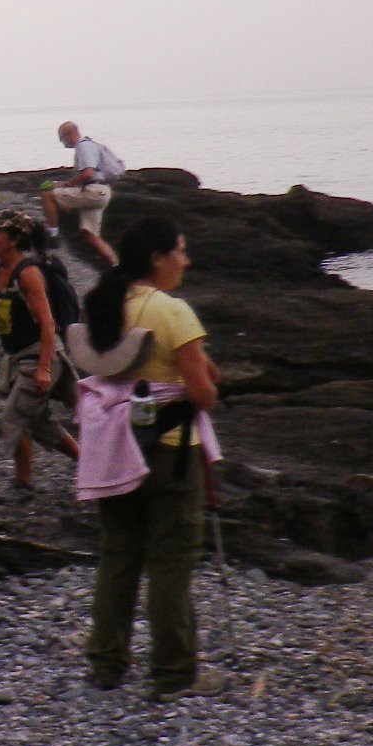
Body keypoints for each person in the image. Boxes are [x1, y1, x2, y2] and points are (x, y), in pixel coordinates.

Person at [73, 215, 226, 702]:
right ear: (157, 259)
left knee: (118, 555)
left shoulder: (105, 304)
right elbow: (202, 394)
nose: (186, 261)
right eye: (180, 251)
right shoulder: (173, 312)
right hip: (171, 454)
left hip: (114, 448)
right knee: (170, 562)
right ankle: (174, 673)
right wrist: (204, 381)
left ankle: (106, 662)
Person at [0, 210, 79, 492]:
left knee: (16, 416)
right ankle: (84, 461)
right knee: (37, 421)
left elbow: (48, 325)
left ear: (13, 240)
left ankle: (22, 483)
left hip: (41, 355)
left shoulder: (29, 274)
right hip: (17, 358)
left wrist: (44, 368)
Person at [40, 121, 119, 267]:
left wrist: (66, 184)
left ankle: (53, 234)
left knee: (48, 195)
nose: (62, 143)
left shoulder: (83, 146)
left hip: (94, 191)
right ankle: (116, 266)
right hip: (102, 191)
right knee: (90, 236)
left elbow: (88, 173)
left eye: (62, 139)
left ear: (70, 134)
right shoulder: (93, 145)